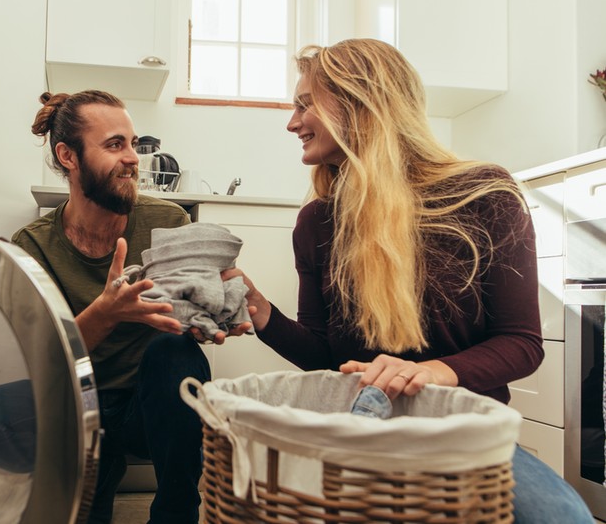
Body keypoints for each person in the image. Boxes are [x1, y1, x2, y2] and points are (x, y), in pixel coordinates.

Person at [222, 38, 593, 523]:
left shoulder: (485, 195)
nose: (292, 122)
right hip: (359, 426)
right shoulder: (317, 222)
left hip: (461, 433)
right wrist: (261, 311)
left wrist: (433, 373)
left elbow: (521, 343)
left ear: (361, 101)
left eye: (305, 103)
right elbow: (326, 356)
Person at [12, 90, 250, 524]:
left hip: (150, 406)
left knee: (175, 352)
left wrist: (212, 310)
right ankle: (95, 476)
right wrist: (106, 312)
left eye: (132, 144)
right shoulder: (33, 246)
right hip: (82, 411)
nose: (133, 158)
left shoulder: (169, 223)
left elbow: (196, 302)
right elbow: (38, 361)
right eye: (114, 144)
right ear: (68, 156)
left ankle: (177, 511)